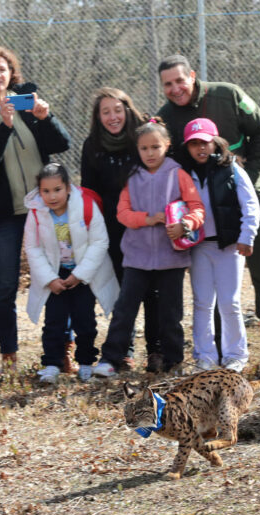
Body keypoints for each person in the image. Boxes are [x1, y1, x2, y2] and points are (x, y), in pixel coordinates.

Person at [155, 55, 260, 367]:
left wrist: (242, 179)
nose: (175, 88)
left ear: (192, 75)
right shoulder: (165, 117)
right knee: (207, 300)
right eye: (167, 84)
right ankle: (210, 356)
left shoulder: (227, 94)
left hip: (244, 205)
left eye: (179, 80)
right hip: (203, 234)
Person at [0, 47, 70, 372]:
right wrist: (4, 125)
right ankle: (9, 356)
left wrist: (47, 117)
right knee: (5, 285)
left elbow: (62, 144)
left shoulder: (29, 105)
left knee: (59, 276)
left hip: (46, 208)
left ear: (11, 74)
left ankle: (62, 350)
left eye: (2, 69)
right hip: (3, 213)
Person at [92, 119, 204, 377]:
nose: (150, 153)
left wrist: (186, 224)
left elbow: (197, 207)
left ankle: (174, 362)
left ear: (167, 145)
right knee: (124, 310)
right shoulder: (132, 178)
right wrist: (148, 219)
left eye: (155, 147)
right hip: (136, 258)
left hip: (171, 258)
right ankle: (110, 360)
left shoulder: (179, 175)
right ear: (137, 149)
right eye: (144, 148)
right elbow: (122, 214)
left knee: (170, 314)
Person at [80, 87, 161, 372]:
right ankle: (124, 351)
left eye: (117, 109)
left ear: (128, 109)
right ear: (98, 116)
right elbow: (89, 192)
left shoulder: (144, 137)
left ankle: (156, 350)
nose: (113, 117)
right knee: (123, 292)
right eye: (106, 112)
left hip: (148, 225)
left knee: (152, 291)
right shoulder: (92, 146)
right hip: (114, 229)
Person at [24, 163, 119, 383]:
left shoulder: (85, 205)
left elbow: (99, 241)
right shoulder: (36, 213)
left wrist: (80, 274)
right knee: (54, 322)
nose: (52, 196)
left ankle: (86, 362)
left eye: (57, 189)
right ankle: (51, 364)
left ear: (68, 187)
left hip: (82, 273)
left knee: (85, 320)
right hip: (55, 274)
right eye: (45, 191)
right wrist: (50, 279)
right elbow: (33, 248)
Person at [182, 118, 260, 373]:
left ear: (216, 142)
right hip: (199, 247)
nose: (200, 148)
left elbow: (250, 204)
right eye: (193, 144)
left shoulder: (232, 169)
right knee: (202, 302)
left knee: (230, 302)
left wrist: (247, 236)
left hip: (229, 247)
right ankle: (205, 356)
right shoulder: (184, 173)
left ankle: (235, 355)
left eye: (204, 142)